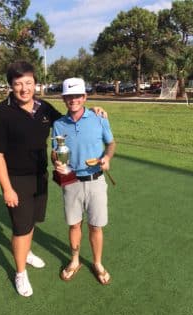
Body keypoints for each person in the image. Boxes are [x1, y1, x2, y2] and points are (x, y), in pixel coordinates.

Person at [0, 61, 107, 297]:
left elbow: (69, 120)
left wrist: (95, 110)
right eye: (18, 84)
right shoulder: (0, 114)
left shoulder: (43, 108)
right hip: (16, 178)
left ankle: (27, 252)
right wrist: (7, 188)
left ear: (35, 83)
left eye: (28, 83)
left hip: (40, 175)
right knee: (21, 228)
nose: (24, 88)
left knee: (32, 220)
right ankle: (20, 272)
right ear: (11, 86)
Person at [51, 77, 116, 285]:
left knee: (96, 226)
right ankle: (75, 260)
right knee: (74, 224)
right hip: (71, 181)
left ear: (85, 97)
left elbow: (111, 143)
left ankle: (97, 263)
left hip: (96, 180)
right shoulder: (58, 124)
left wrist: (106, 158)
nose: (74, 100)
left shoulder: (99, 118)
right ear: (63, 98)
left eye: (77, 95)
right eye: (69, 96)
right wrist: (56, 162)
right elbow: (55, 152)